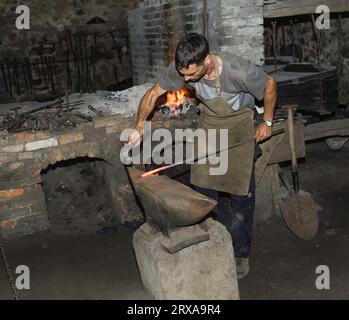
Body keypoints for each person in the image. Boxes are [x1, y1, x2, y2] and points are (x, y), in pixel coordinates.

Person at [129, 33, 277, 279]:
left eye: (190, 75)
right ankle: (208, 242)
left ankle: (240, 254)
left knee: (241, 193)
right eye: (182, 74)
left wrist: (267, 121)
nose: (185, 80)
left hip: (239, 125)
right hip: (210, 124)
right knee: (202, 188)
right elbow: (153, 94)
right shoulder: (182, 68)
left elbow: (270, 84)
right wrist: (138, 126)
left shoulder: (235, 70)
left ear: (207, 61)